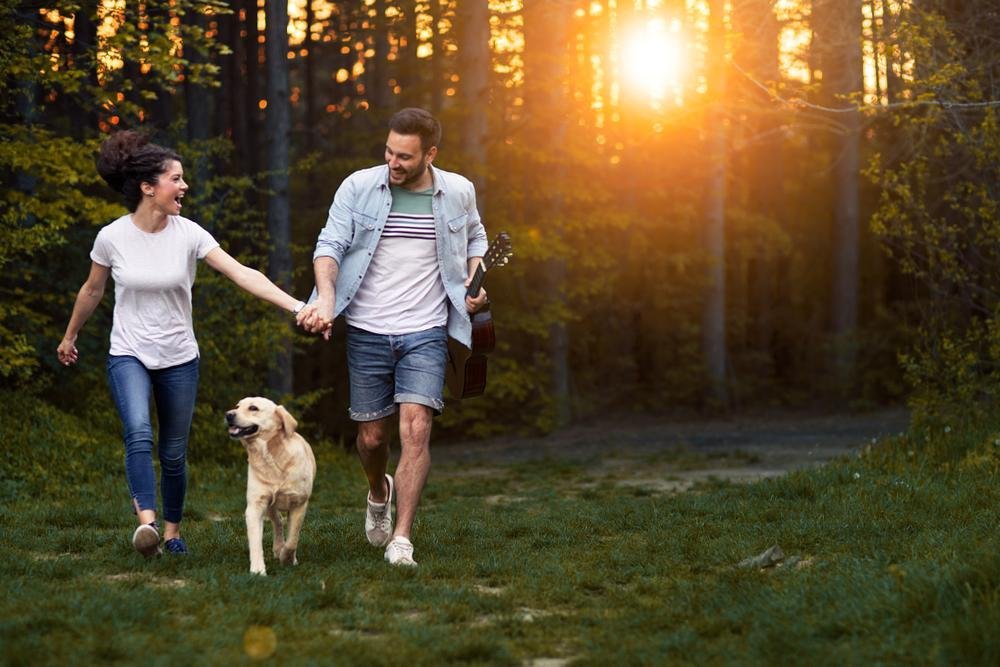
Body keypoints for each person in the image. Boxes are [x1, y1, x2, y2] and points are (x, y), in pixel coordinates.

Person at [57, 130, 314, 558]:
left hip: (179, 356)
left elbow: (242, 273)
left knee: (174, 453)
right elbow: (92, 291)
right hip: (129, 352)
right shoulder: (112, 237)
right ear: (148, 188)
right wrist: (70, 336)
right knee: (138, 432)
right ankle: (148, 526)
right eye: (176, 179)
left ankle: (173, 534)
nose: (184, 187)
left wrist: (297, 307)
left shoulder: (189, 234)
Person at [298, 107, 488, 567]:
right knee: (371, 438)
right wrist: (325, 300)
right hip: (366, 329)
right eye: (389, 151)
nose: (393, 162)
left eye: (404, 156)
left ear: (430, 154)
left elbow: (477, 241)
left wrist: (474, 286)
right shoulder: (359, 186)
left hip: (426, 329)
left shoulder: (458, 191)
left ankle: (402, 539)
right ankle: (377, 488)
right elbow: (329, 247)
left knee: (417, 429)